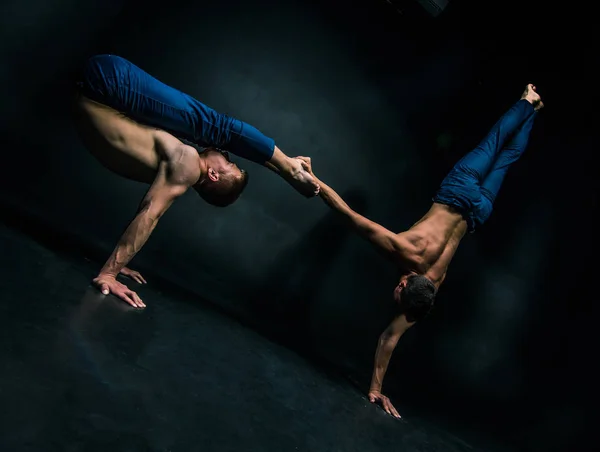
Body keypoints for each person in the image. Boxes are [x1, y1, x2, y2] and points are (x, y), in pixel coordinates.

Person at [305, 84, 543, 418]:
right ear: (404, 285)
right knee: (494, 142)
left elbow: (390, 336)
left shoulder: (434, 284)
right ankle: (527, 104)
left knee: (506, 156)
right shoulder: (403, 251)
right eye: (397, 294)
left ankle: (531, 108)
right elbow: (349, 216)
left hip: (478, 212)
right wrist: (314, 181)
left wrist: (376, 389)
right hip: (461, 193)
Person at [73, 54, 319, 308]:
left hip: (105, 81)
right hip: (99, 93)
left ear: (213, 175)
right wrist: (119, 263)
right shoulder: (172, 172)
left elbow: (149, 214)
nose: (225, 154)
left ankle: (289, 167)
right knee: (212, 132)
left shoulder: (187, 161)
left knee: (216, 127)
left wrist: (110, 272)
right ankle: (286, 167)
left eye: (229, 163)